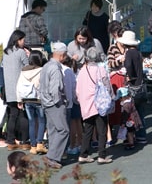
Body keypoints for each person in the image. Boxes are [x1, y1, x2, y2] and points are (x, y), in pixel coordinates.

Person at [76, 47, 114, 164]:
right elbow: (107, 85)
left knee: (87, 130)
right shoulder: (100, 69)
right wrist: (112, 97)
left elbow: (77, 90)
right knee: (102, 130)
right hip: (99, 104)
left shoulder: (82, 71)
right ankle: (101, 155)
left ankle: (83, 154)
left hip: (86, 104)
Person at [39, 41, 69, 170]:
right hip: (55, 103)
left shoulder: (46, 65)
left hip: (45, 102)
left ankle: (52, 154)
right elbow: (55, 89)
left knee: (53, 130)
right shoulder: (56, 69)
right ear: (62, 55)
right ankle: (53, 156)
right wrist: (59, 102)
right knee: (63, 130)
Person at [3, 30, 30, 151]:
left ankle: (10, 140)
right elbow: (27, 67)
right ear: (18, 40)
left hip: (9, 89)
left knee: (12, 115)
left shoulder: (6, 52)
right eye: (23, 40)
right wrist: (29, 55)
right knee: (23, 114)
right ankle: (24, 140)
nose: (24, 42)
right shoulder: (21, 52)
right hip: (20, 88)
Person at [119, 30, 147, 146]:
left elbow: (129, 66)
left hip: (133, 86)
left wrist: (128, 76)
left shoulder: (129, 53)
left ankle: (133, 137)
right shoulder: (137, 52)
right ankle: (142, 135)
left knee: (131, 113)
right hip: (141, 86)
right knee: (140, 112)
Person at [17, 50, 46, 156]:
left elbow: (18, 85)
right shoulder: (42, 70)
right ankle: (40, 144)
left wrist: (19, 100)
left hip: (27, 100)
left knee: (31, 122)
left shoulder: (23, 71)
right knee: (42, 121)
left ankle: (33, 146)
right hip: (39, 99)